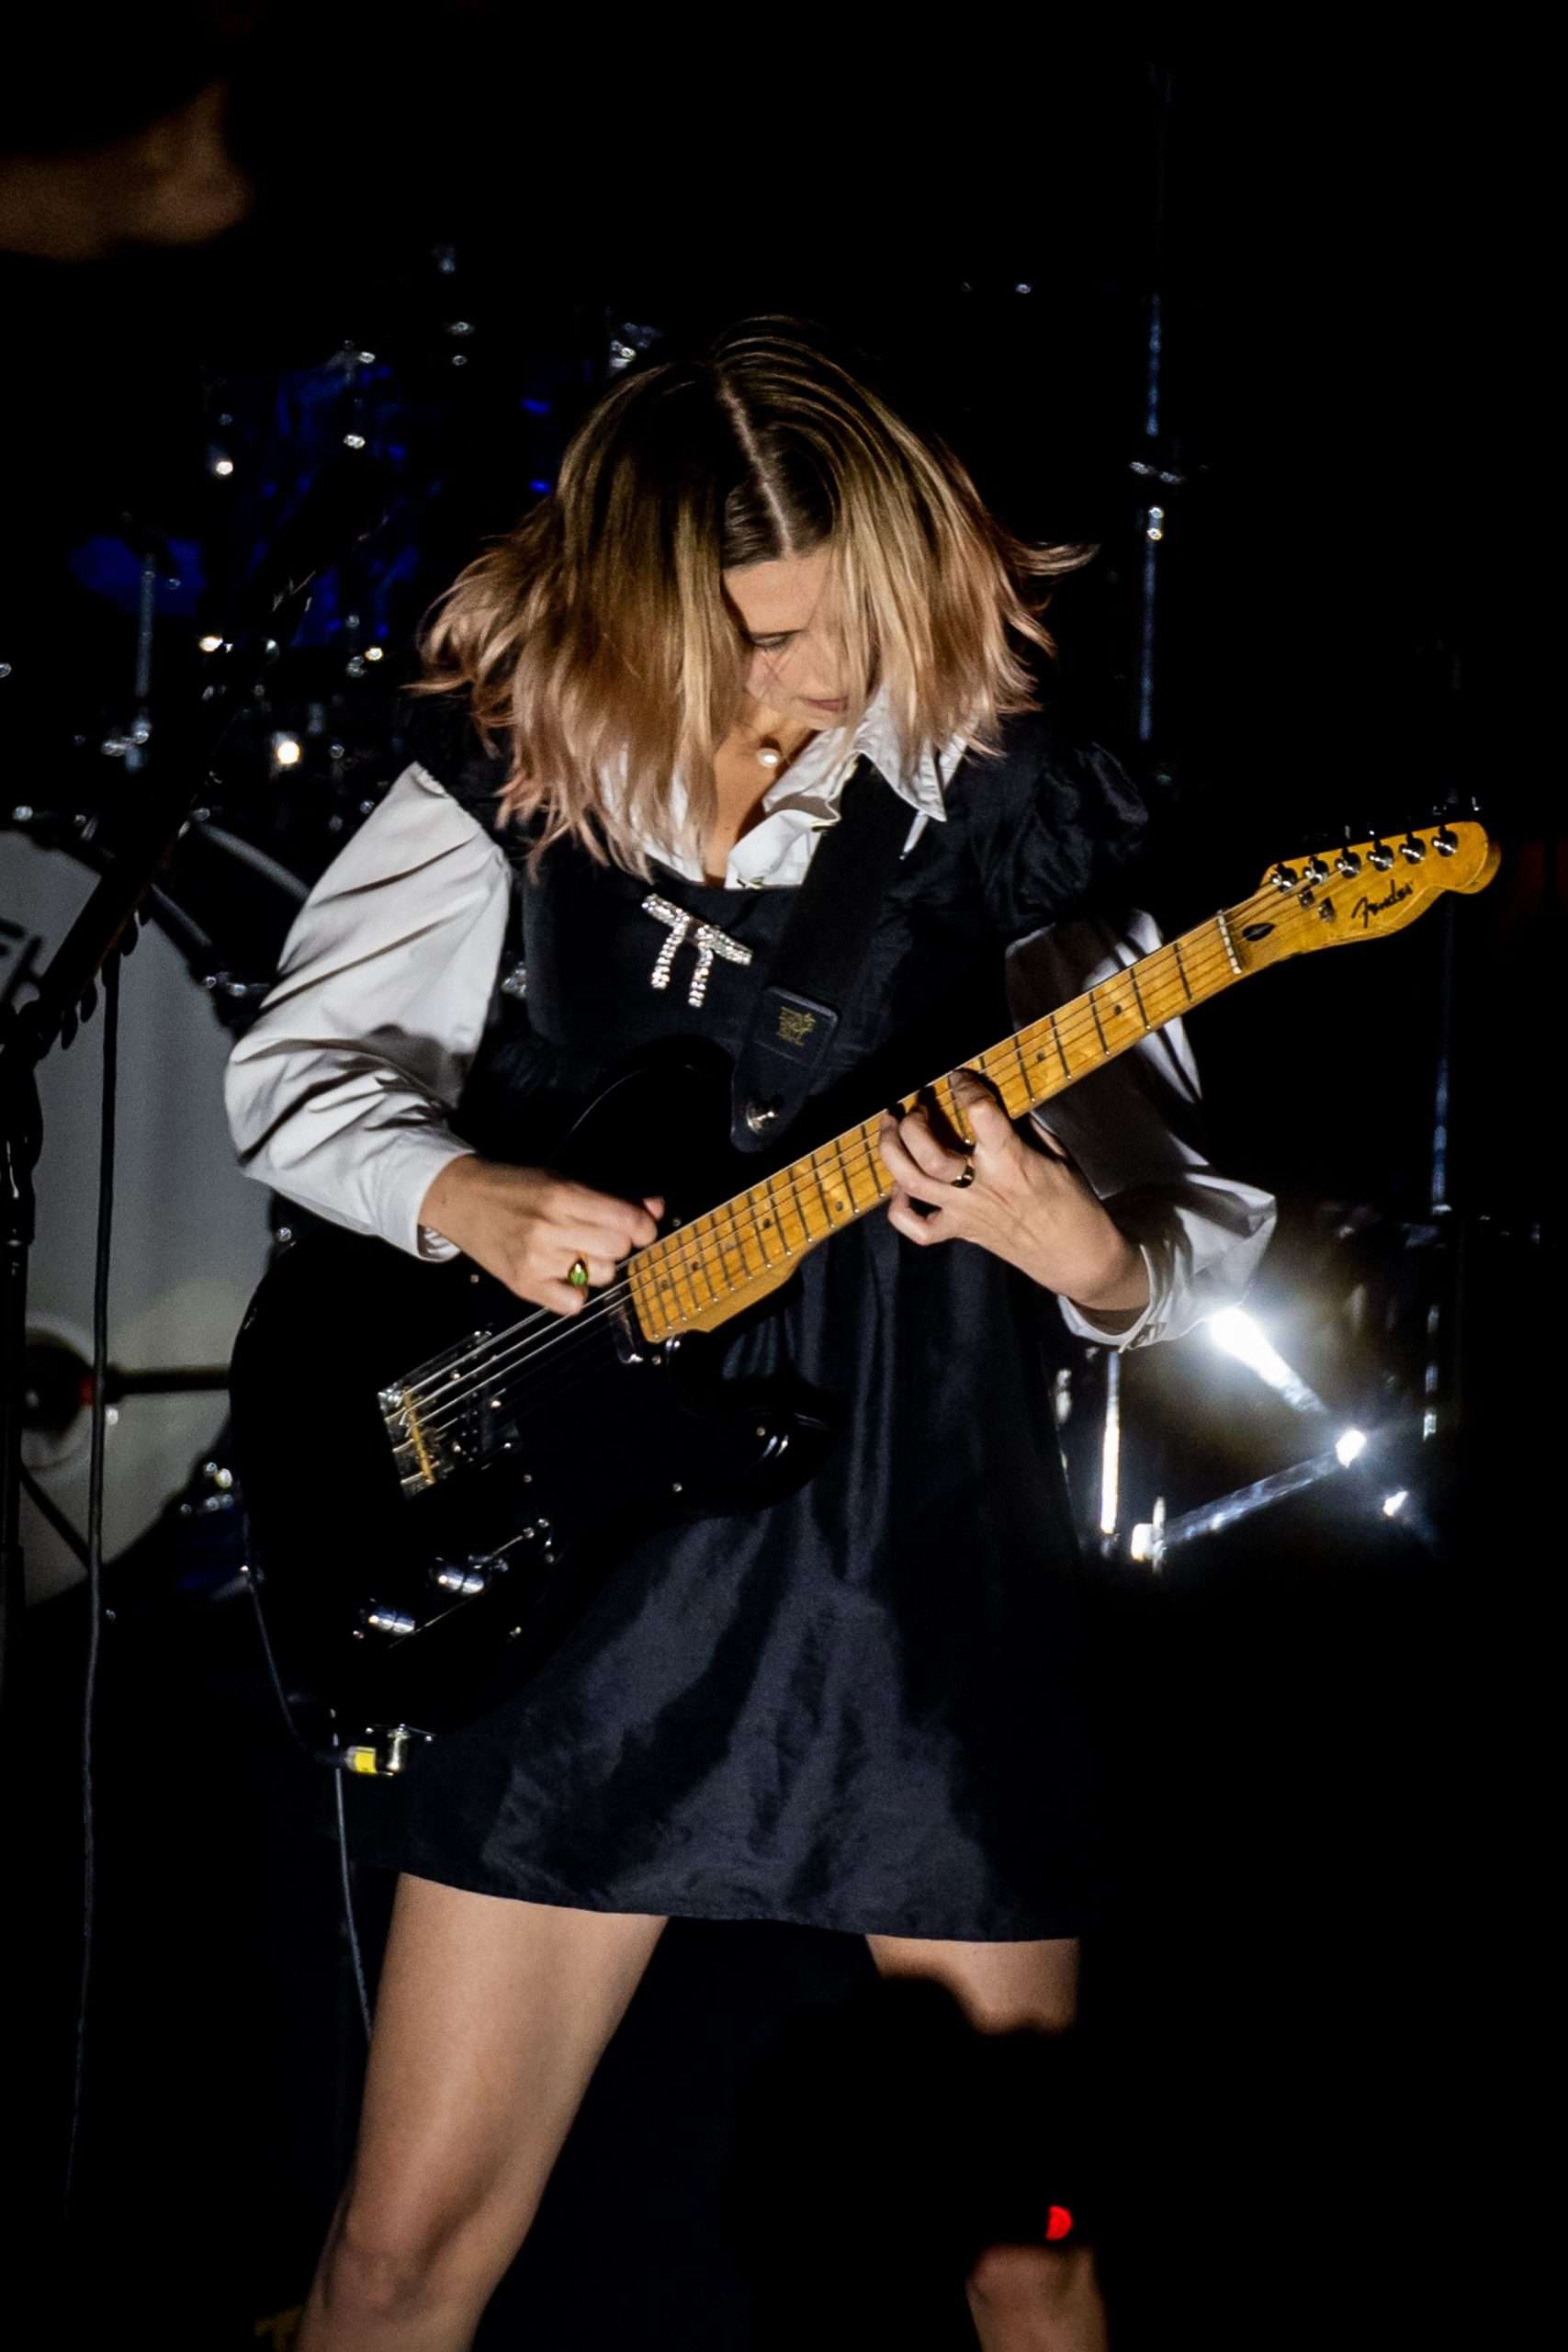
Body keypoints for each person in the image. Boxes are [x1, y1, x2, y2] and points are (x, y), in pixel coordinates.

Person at [224, 315, 1275, 2350]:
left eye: (844, 620)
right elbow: (300, 1069)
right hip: (573, 1561)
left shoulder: (1016, 803)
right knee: (396, 2255)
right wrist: (461, 1192)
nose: (818, 678)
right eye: (762, 640)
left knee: (1027, 2250)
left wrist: (1079, 1242)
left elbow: (1190, 1237)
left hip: (911, 1561)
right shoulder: (539, 761)